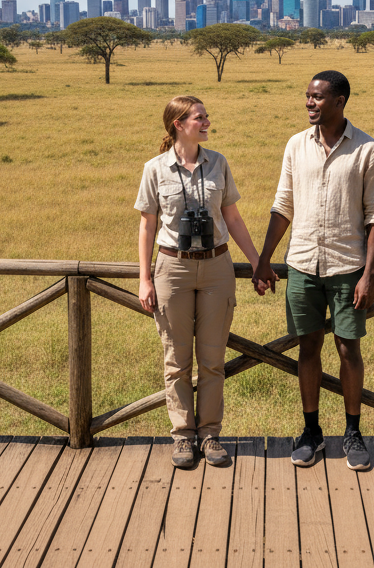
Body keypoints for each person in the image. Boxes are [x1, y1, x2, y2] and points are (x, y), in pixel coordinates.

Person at [252, 71, 374, 472]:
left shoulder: (368, 150)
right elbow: (283, 206)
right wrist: (263, 258)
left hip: (348, 266)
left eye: (317, 97)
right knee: (308, 348)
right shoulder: (296, 145)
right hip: (302, 265)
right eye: (307, 96)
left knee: (348, 348)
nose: (309, 103)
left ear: (340, 100)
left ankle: (352, 432)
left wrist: (369, 274)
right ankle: (311, 432)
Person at [135, 95, 263, 469]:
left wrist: (257, 262)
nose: (206, 122)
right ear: (178, 124)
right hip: (172, 268)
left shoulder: (218, 163)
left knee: (212, 360)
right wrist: (144, 279)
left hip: (216, 267)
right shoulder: (155, 169)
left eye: (206, 116)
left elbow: (233, 218)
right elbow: (147, 225)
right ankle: (182, 437)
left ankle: (209, 435)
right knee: (176, 360)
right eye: (199, 117)